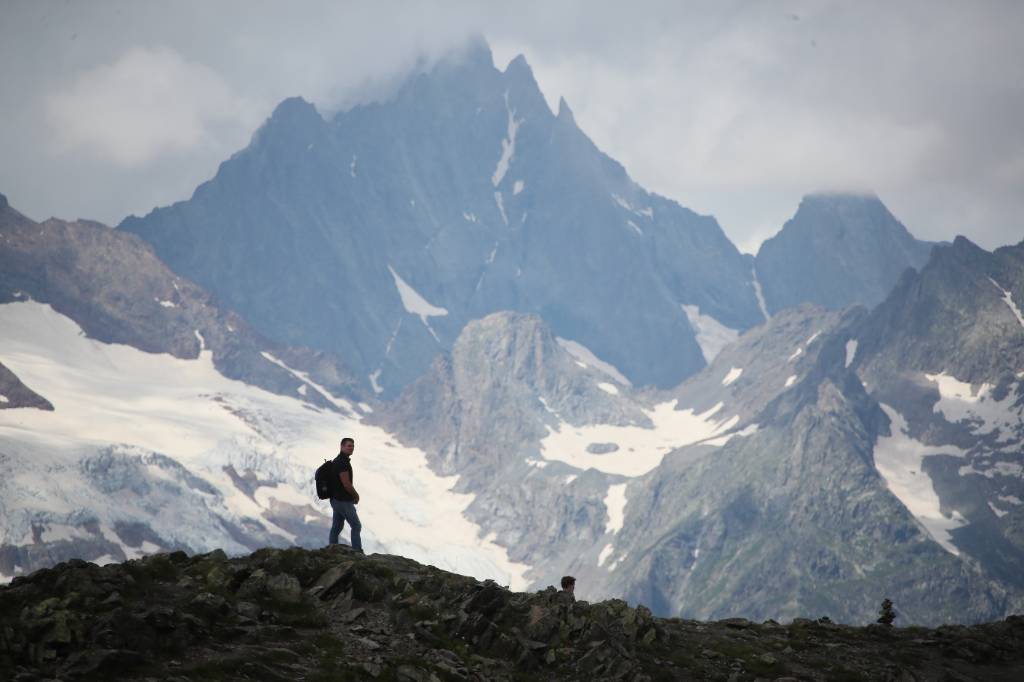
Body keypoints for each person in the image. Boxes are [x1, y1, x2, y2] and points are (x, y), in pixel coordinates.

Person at [328, 437, 363, 552]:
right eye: (349, 446)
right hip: (343, 501)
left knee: (337, 527)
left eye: (352, 446)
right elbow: (346, 484)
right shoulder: (342, 463)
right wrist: (356, 495)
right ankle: (357, 552)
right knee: (356, 526)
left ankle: (332, 549)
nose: (351, 448)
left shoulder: (338, 460)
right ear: (342, 446)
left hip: (335, 500)